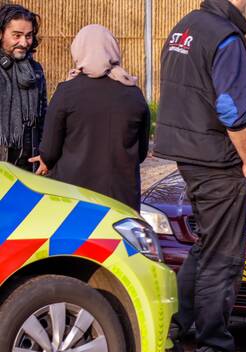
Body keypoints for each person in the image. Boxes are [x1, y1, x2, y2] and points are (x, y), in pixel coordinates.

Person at [155, 0, 246, 352]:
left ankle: (171, 334)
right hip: (218, 159)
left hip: (189, 153)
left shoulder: (184, 27)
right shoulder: (225, 36)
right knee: (223, 258)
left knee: (204, 248)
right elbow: (231, 108)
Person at [30, 25, 149, 210]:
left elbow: (50, 150)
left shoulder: (67, 92)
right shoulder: (133, 93)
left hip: (74, 197)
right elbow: (140, 152)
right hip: (122, 197)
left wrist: (45, 159)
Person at [0, 4, 46, 171]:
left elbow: (43, 117)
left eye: (28, 36)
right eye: (17, 35)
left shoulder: (35, 71)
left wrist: (45, 154)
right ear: (1, 34)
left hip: (27, 166)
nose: (24, 42)